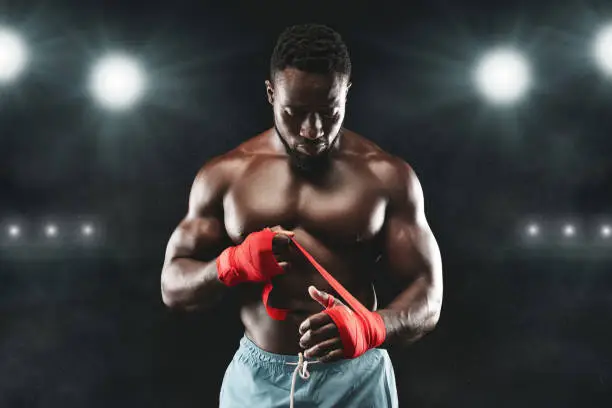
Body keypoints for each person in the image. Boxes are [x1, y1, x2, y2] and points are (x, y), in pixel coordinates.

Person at [160, 23, 443, 408]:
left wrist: (373, 326)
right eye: (295, 113)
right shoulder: (225, 176)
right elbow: (173, 286)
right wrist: (230, 264)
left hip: (357, 378)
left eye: (329, 112)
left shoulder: (387, 176)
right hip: (257, 381)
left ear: (346, 92)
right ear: (271, 93)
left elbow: (428, 294)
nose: (313, 130)